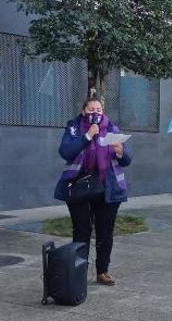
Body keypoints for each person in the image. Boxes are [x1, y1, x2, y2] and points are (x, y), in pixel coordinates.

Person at [54, 97, 132, 286]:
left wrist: (121, 151)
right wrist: (87, 136)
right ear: (83, 111)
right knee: (81, 230)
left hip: (108, 188)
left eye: (99, 109)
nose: (95, 112)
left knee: (105, 231)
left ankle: (102, 271)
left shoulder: (112, 128)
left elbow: (127, 160)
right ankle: (78, 272)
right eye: (91, 109)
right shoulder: (74, 127)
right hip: (79, 186)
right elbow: (65, 151)